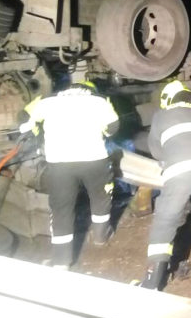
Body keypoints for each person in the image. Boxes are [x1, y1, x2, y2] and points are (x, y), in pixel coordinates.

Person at [19, 81, 119, 270]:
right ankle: (100, 236)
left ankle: (61, 262)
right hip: (94, 160)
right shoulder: (100, 101)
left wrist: (36, 133)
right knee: (100, 199)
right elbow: (112, 128)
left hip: (60, 164)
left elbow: (24, 120)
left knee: (61, 210)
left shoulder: (46, 102)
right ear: (90, 90)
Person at [140, 80, 191, 290]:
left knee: (166, 218)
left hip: (182, 168)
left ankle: (153, 280)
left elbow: (156, 149)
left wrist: (168, 160)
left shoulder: (161, 116)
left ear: (167, 100)